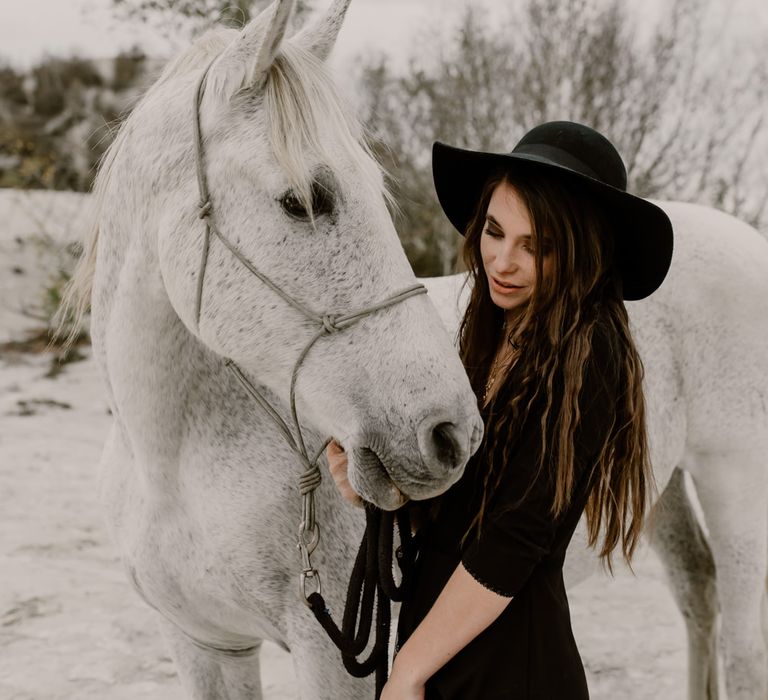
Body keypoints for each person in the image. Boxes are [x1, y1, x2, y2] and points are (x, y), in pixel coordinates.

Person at [326, 121, 673, 699]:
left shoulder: (591, 349)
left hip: (510, 662)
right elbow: (462, 513)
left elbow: (515, 537)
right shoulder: (494, 331)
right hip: (445, 638)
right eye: (494, 231)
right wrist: (381, 493)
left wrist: (410, 668)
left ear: (582, 249)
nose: (502, 261)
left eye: (535, 246)